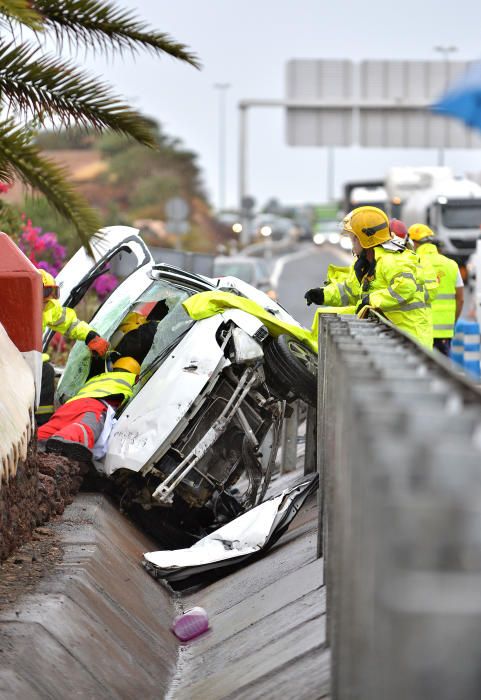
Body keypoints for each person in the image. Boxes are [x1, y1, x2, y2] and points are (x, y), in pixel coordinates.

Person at [305, 206, 433, 348]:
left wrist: (372, 299)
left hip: (411, 341)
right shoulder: (367, 264)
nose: (352, 243)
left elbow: (405, 288)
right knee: (324, 314)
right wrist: (323, 295)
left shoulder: (392, 260)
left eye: (353, 239)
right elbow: (350, 291)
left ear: (366, 238)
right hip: (390, 335)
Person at [38, 269, 110, 425]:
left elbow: (70, 323)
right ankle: (41, 423)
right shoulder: (19, 304)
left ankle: (41, 424)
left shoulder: (48, 307)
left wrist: (90, 335)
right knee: (45, 372)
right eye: (46, 291)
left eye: (53, 291)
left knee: (45, 372)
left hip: (29, 357)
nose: (50, 297)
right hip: (12, 357)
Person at [37, 356, 140, 462]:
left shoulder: (99, 377)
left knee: (53, 426)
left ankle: (34, 441)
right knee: (85, 427)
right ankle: (62, 440)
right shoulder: (132, 381)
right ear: (136, 376)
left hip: (71, 405)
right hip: (95, 406)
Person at [408, 223, 464, 355]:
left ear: (413, 243)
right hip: (444, 332)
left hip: (419, 330)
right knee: (442, 372)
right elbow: (460, 300)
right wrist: (451, 322)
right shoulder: (451, 265)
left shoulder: (413, 263)